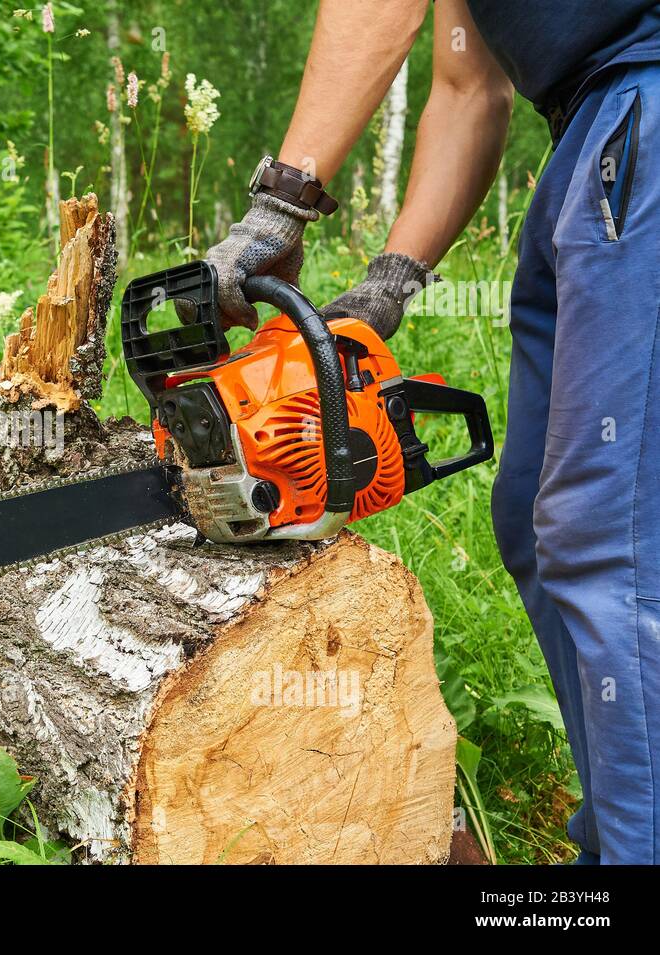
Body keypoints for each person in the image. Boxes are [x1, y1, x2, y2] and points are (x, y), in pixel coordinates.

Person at [197, 0, 660, 864]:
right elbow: (466, 85)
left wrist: (281, 205)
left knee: (614, 542)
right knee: (534, 514)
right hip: (590, 130)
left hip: (644, 111)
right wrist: (390, 284)